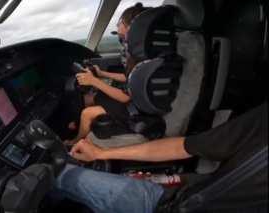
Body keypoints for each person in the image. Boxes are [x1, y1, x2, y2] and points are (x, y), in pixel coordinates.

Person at [55, 102, 267, 213]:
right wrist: (171, 180)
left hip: (172, 206)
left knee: (60, 174)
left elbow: (181, 148)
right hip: (193, 191)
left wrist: (101, 153)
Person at [65, 3, 147, 145]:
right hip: (136, 100)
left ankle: (76, 141)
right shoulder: (140, 52)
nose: (117, 27)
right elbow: (129, 77)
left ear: (131, 26)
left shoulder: (141, 56)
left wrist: (95, 81)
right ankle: (82, 125)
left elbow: (124, 97)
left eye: (119, 22)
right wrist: (102, 73)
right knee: (90, 98)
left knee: (87, 113)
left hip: (134, 109)